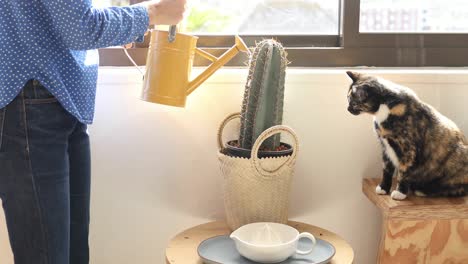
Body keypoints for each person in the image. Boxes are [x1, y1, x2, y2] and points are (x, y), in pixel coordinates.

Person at [0, 0, 186, 263]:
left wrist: (130, 24)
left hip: (54, 100)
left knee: (69, 253)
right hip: (32, 103)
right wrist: (153, 12)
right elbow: (81, 28)